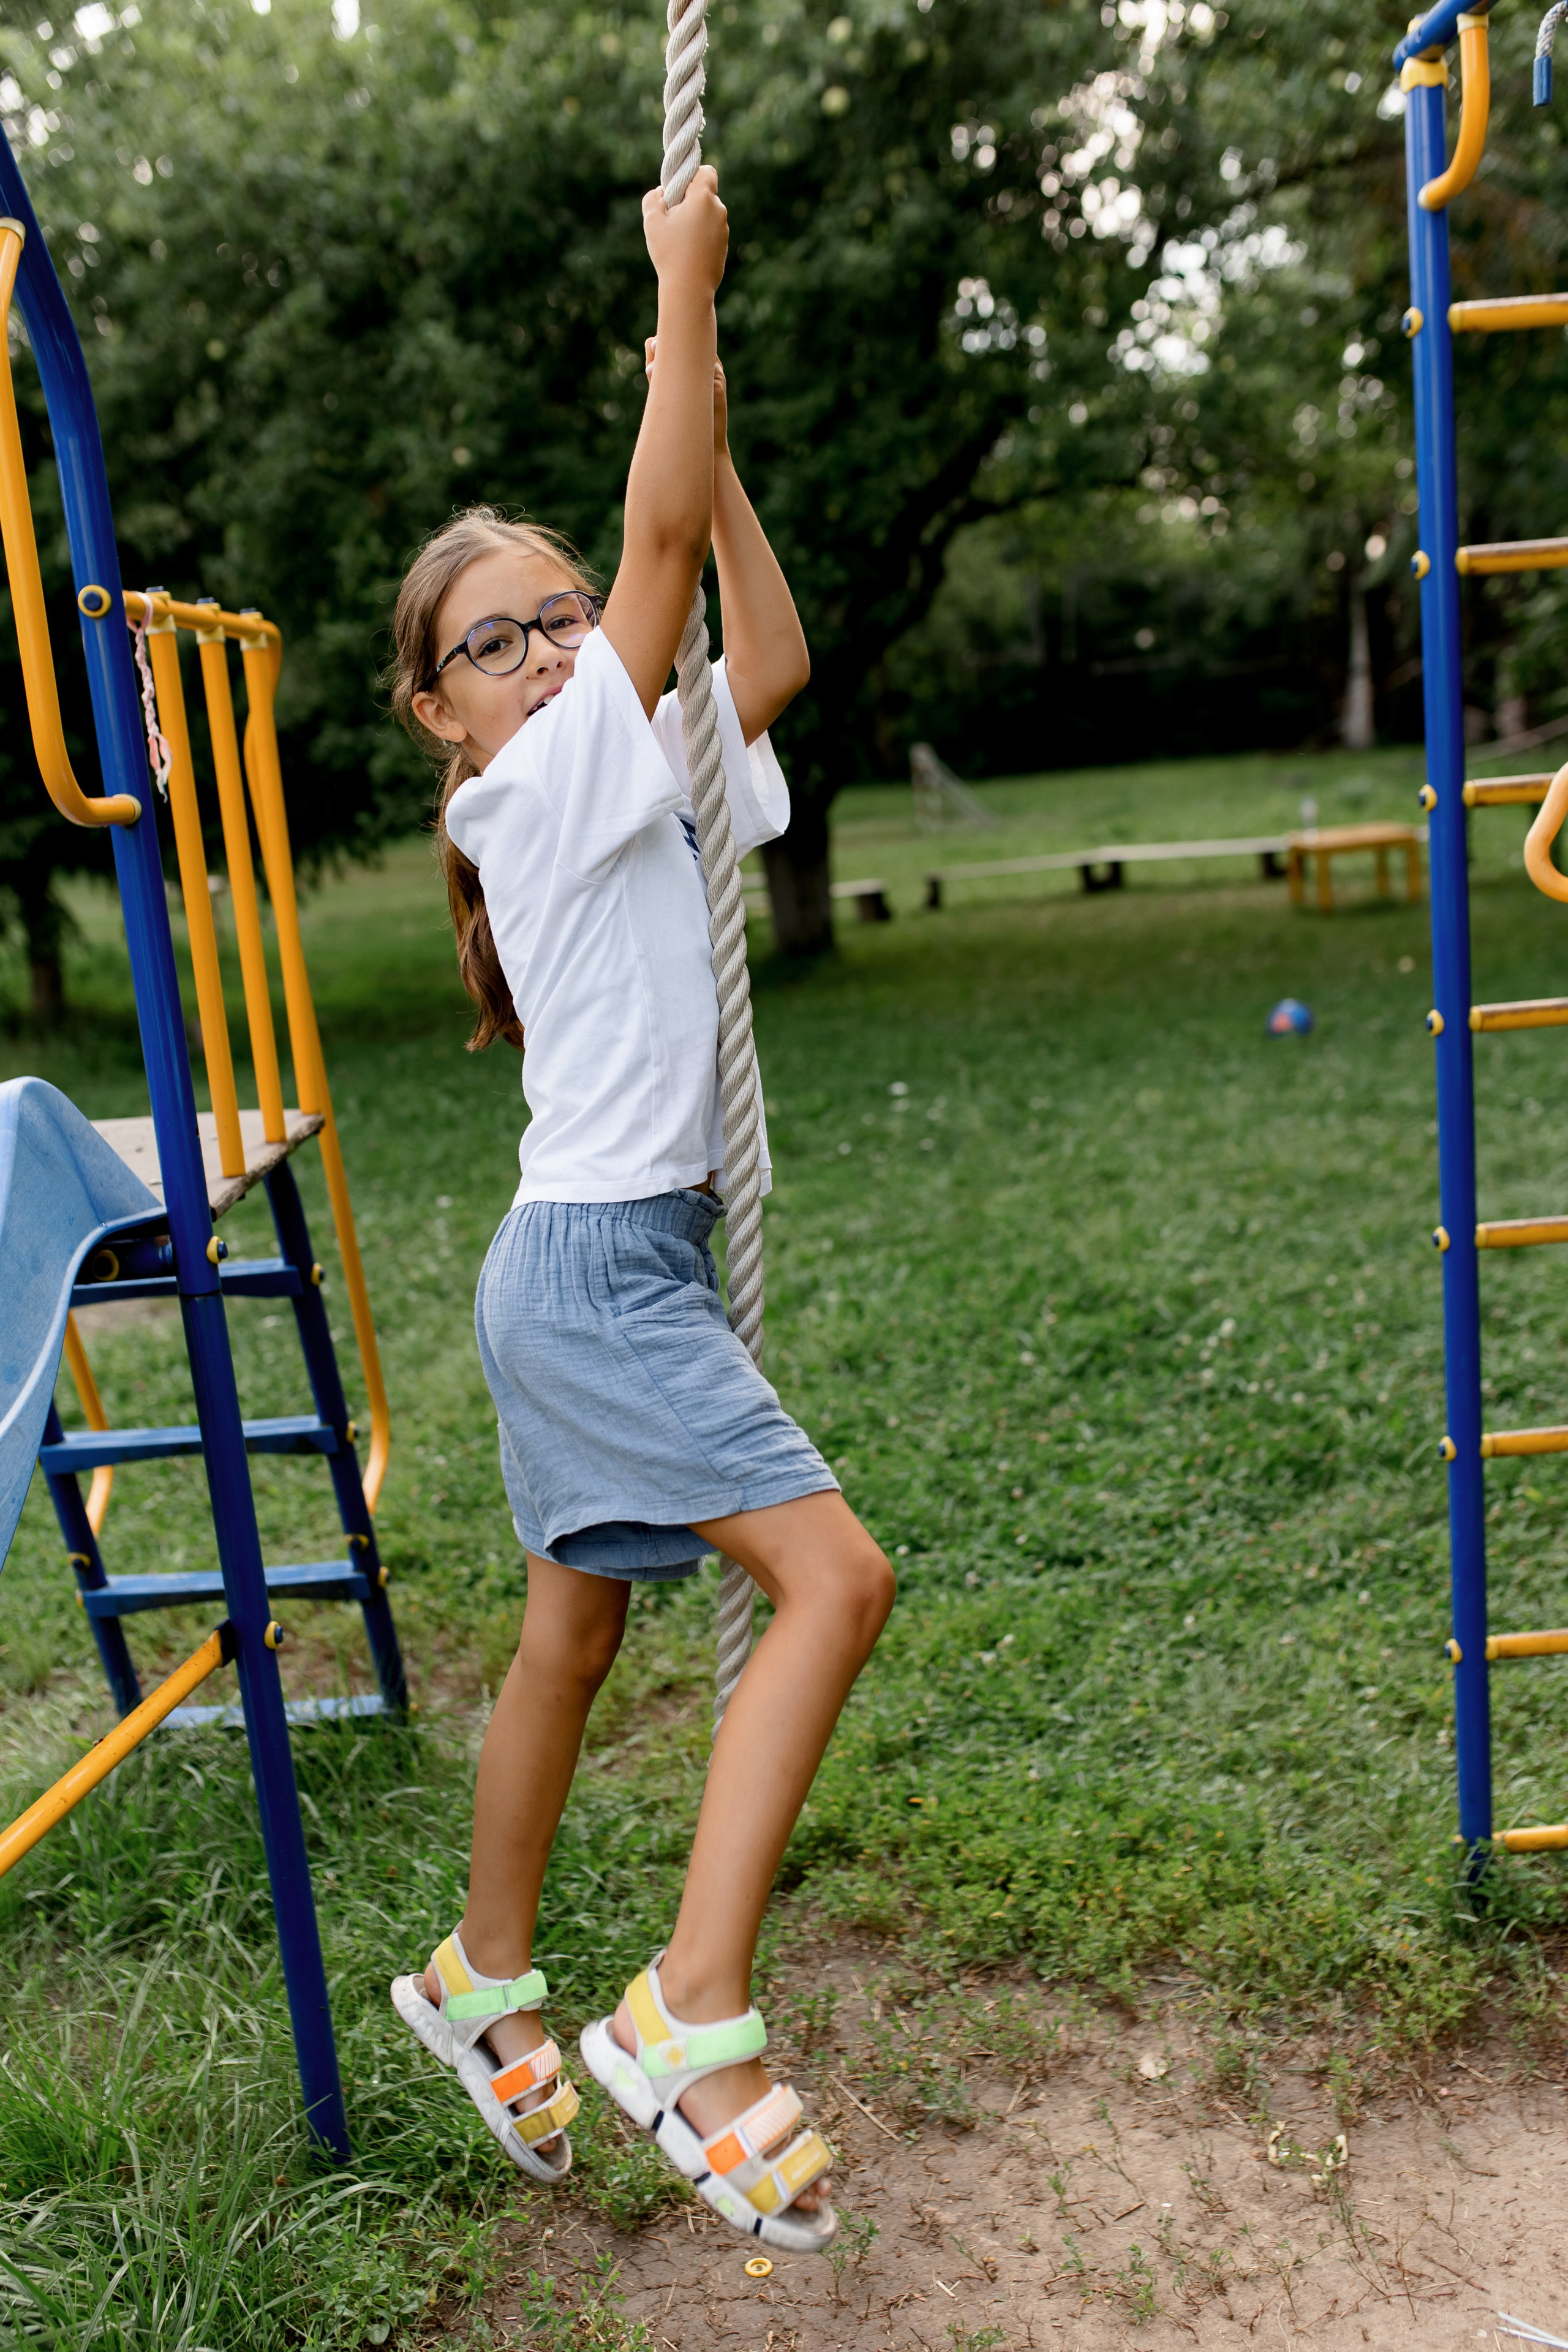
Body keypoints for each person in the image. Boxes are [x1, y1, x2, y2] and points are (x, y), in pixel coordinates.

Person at [386, 165, 894, 2255]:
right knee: (835, 1582)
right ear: (443, 712)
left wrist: (713, 402)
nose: (543, 646)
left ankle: (478, 1976)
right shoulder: (532, 785)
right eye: (492, 644)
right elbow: (664, 551)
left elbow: (745, 628)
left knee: (571, 1639)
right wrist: (678, 306)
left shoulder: (638, 738)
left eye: (558, 613)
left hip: (591, 1262)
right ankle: (688, 2016)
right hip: (598, 1272)